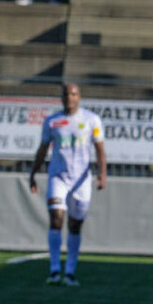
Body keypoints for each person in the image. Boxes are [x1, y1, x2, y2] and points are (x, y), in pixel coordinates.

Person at [28, 83, 106, 287]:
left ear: (79, 97)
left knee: (74, 225)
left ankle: (70, 271)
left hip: (81, 180)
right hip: (58, 177)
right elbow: (43, 149)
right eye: (66, 94)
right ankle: (54, 270)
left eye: (73, 94)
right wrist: (33, 173)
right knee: (56, 218)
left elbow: (99, 149)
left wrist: (103, 173)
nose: (69, 98)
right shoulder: (52, 122)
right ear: (61, 97)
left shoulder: (91, 120)